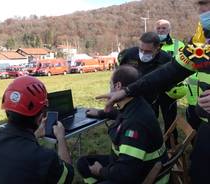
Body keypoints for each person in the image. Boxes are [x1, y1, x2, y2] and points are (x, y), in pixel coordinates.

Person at [96, 0, 210, 183]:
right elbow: (169, 72)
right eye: (200, 5)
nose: (202, 11)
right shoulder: (203, 46)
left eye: (205, 4)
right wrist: (127, 90)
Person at [0, 76, 74, 184]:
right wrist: (60, 138)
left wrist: (34, 135)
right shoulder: (44, 158)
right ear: (40, 119)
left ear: (7, 111)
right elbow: (67, 176)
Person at [77, 65, 168, 184]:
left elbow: (125, 175)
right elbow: (123, 113)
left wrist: (100, 171)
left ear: (117, 86)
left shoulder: (134, 125)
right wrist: (101, 113)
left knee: (91, 168)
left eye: (110, 84)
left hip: (141, 175)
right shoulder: (136, 102)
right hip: (132, 164)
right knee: (83, 163)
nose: (109, 87)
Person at [153, 19, 186, 146]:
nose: (161, 30)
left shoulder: (179, 45)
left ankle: (172, 144)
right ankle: (154, 144)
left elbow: (185, 66)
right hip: (153, 88)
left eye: (164, 28)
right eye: (158, 28)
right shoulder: (150, 44)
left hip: (170, 89)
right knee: (151, 117)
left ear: (169, 30)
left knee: (170, 119)